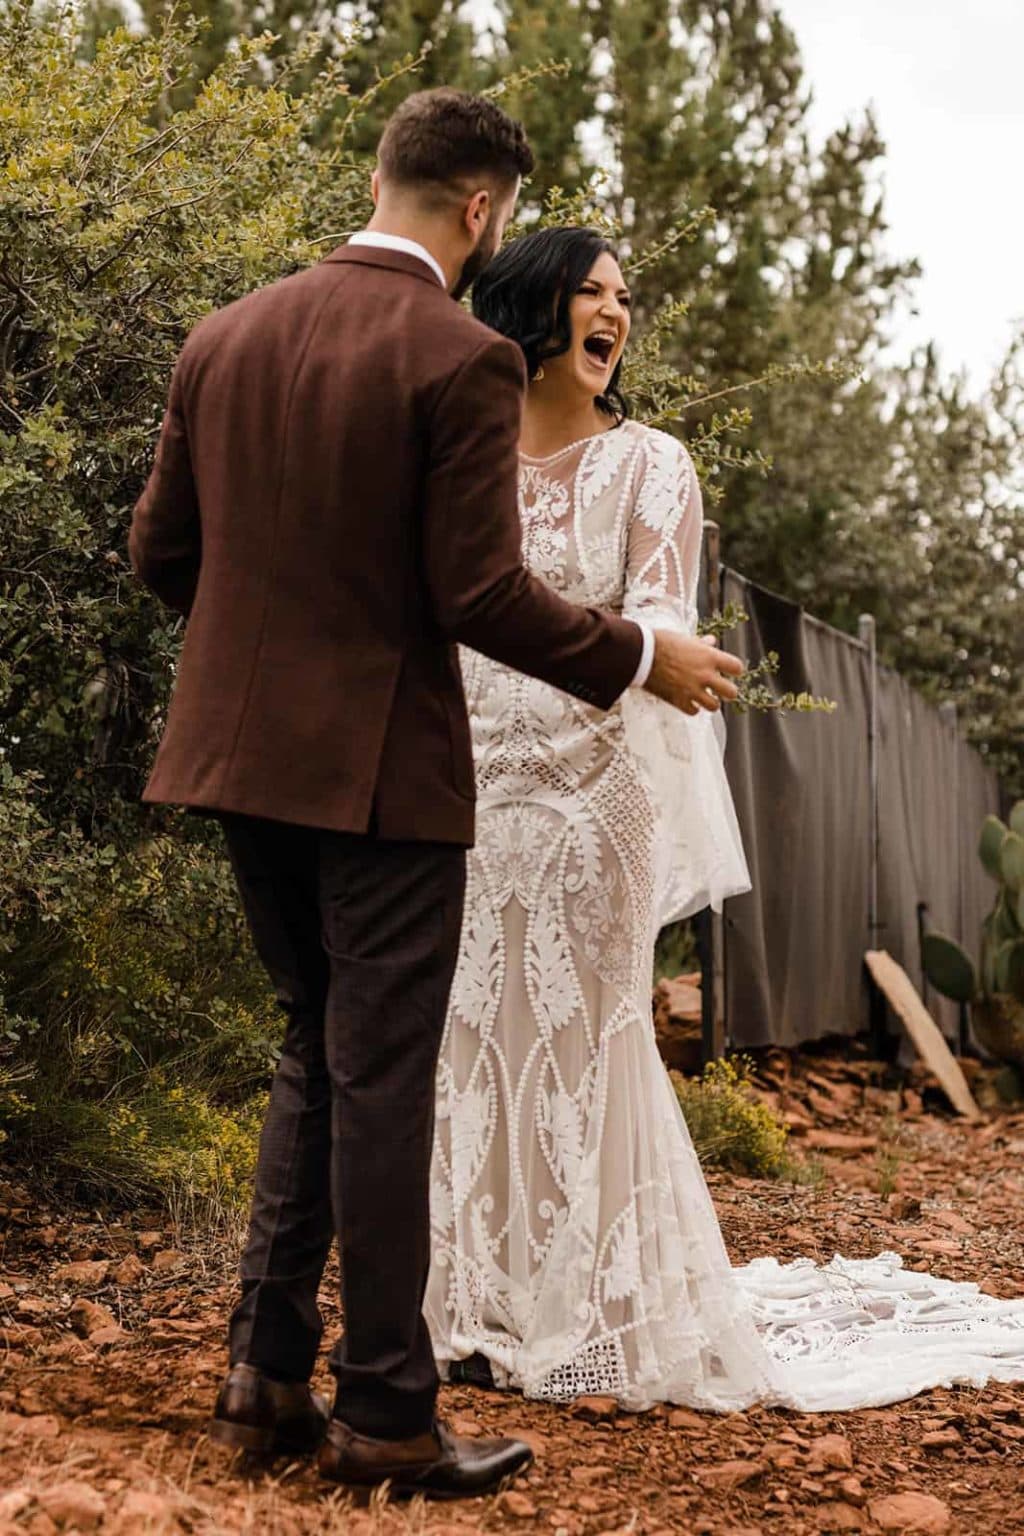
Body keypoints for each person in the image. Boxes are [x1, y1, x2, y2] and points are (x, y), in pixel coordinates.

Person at [129, 94, 743, 1497]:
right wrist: (644, 651)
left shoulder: (223, 336)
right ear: (483, 210)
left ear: (377, 175)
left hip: (235, 758)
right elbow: (475, 594)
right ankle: (390, 1414)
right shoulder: (458, 356)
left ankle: (265, 1368)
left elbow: (165, 553)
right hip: (388, 776)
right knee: (386, 1075)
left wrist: (263, 663)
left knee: (312, 1044)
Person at [426, 225, 1024, 1413]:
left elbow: (663, 633)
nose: (614, 313)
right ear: (529, 306)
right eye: (589, 291)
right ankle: (465, 1303)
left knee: (582, 1041)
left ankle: (585, 1321)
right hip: (463, 794)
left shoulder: (653, 463)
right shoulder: (459, 455)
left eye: (624, 298)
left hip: (592, 796)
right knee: (462, 1043)